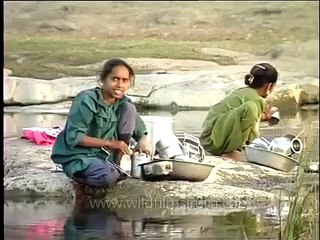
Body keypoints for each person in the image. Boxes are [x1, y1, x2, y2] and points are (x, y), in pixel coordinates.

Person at [51, 58, 150, 192]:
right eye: (115, 79)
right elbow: (75, 137)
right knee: (107, 177)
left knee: (129, 108)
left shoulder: (123, 103)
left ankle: (115, 164)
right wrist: (112, 144)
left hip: (106, 158)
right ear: (103, 80)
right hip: (80, 157)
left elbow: (140, 130)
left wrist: (143, 141)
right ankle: (80, 179)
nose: (120, 85)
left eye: (124, 80)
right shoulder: (87, 100)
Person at [199, 63, 279, 161]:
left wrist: (265, 116)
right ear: (269, 87)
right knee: (251, 108)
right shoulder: (256, 100)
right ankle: (231, 151)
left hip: (209, 138)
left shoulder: (245, 92)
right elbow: (253, 132)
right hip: (214, 141)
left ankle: (231, 149)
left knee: (250, 109)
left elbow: (243, 118)